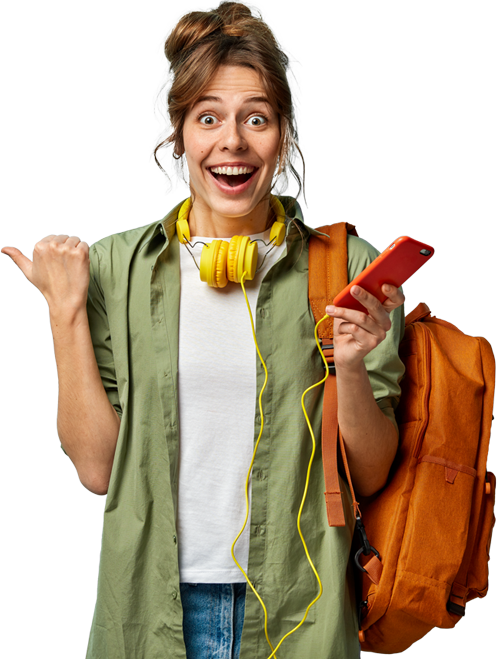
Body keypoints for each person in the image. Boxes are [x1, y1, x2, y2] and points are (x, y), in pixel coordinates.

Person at [1, 2, 405, 657]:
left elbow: (371, 470)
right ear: (180, 133)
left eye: (257, 118)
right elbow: (97, 467)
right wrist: (65, 309)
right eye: (208, 117)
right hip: (153, 606)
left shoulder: (351, 269)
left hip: (299, 608)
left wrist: (352, 362)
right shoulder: (117, 268)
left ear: (283, 134)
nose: (233, 142)